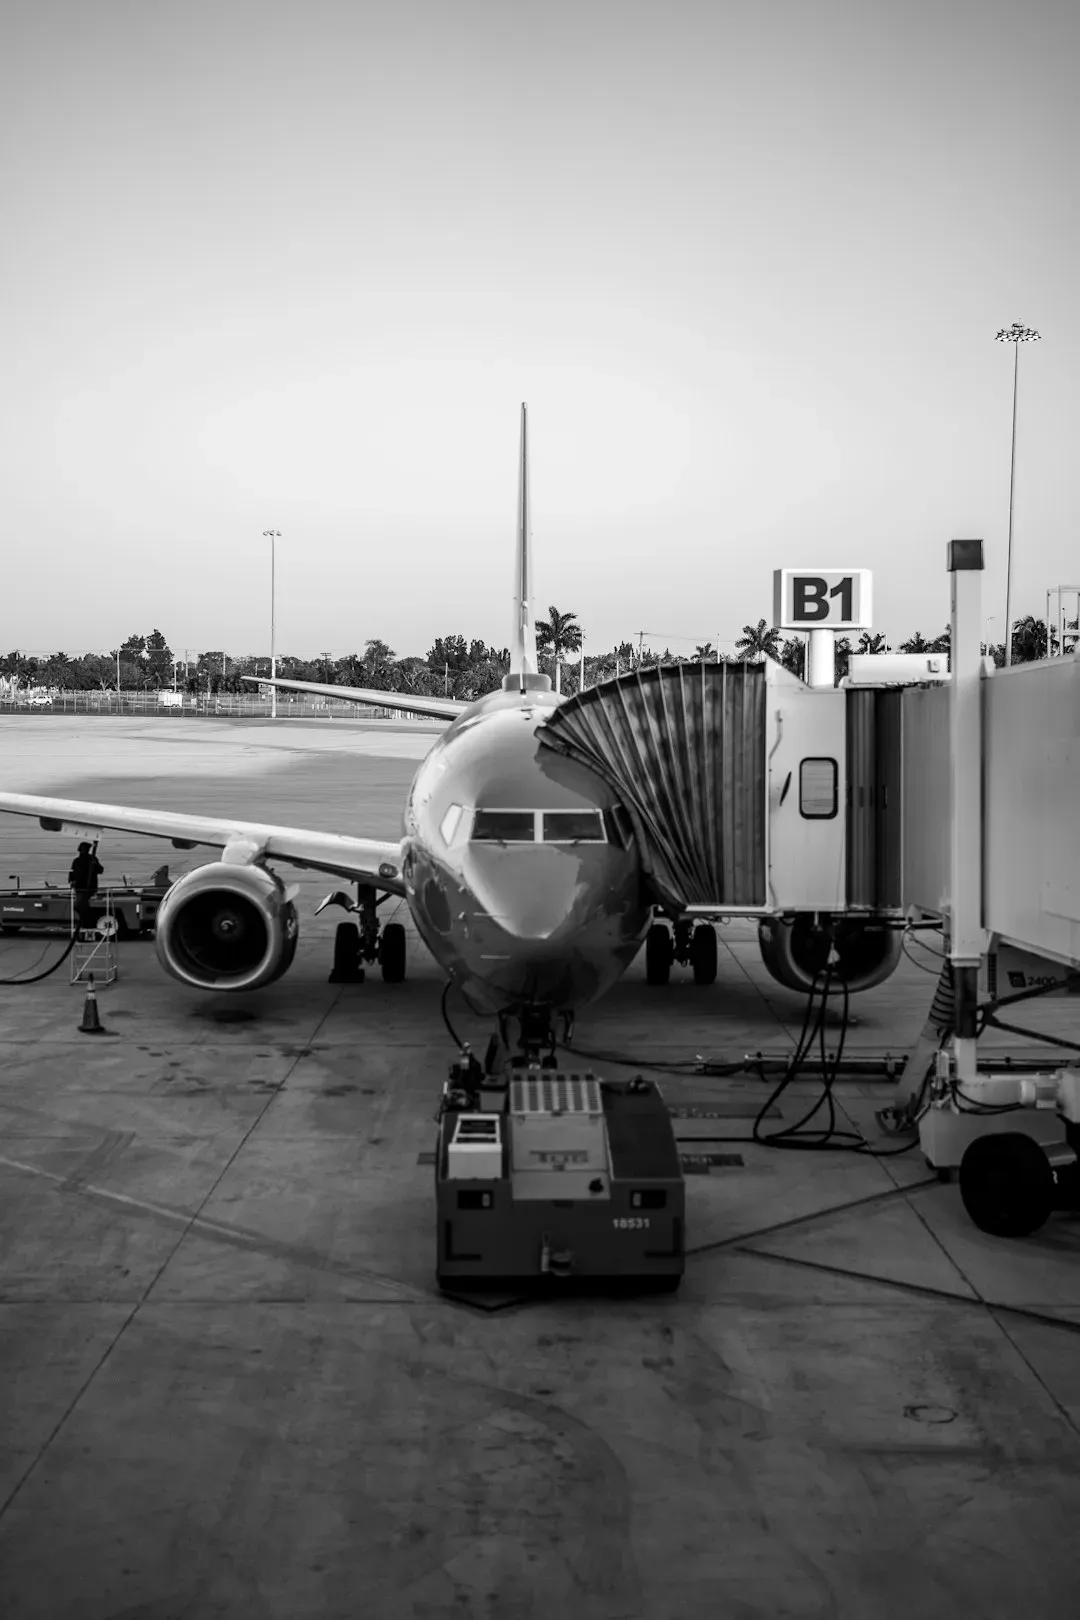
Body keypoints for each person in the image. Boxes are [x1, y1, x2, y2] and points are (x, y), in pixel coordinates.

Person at [68, 841, 103, 931]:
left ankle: (89, 921)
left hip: (89, 887)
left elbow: (100, 870)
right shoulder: (77, 861)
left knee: (79, 905)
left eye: (85, 850)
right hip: (80, 887)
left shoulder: (92, 859)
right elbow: (72, 872)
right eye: (82, 850)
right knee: (80, 905)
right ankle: (87, 921)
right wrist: (72, 881)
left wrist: (95, 866)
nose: (83, 852)